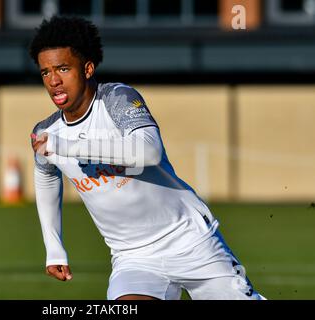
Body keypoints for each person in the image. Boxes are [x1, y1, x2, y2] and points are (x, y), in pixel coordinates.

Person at [29, 16, 265, 300]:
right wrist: (53, 248)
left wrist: (69, 146)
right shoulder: (47, 132)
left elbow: (148, 151)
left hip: (190, 240)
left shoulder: (118, 99)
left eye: (63, 69)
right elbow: (45, 176)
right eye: (45, 72)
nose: (53, 81)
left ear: (88, 68)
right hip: (133, 258)